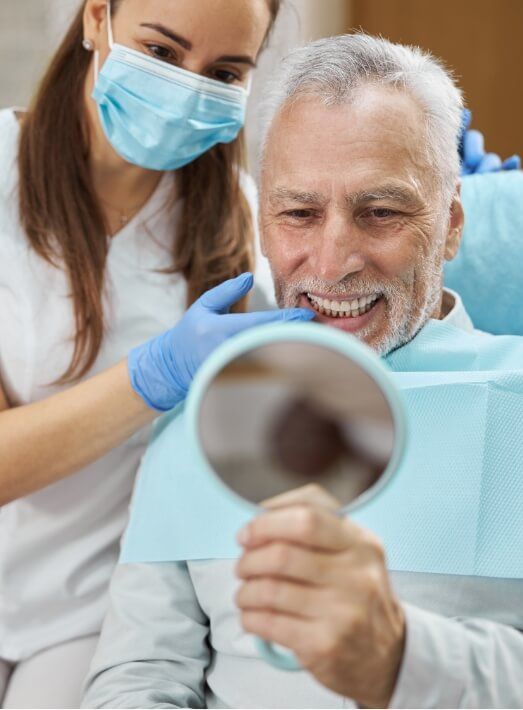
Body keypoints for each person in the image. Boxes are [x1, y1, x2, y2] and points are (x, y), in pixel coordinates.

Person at [82, 34, 523, 709]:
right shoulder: (199, 413)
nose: (332, 260)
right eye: (298, 213)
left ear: (451, 225)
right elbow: (139, 672)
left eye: (380, 212)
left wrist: (401, 659)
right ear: (263, 228)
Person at [0, 0, 330, 706]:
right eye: (160, 52)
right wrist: (157, 375)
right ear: (96, 19)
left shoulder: (239, 231)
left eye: (224, 71)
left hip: (90, 605)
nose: (187, 88)